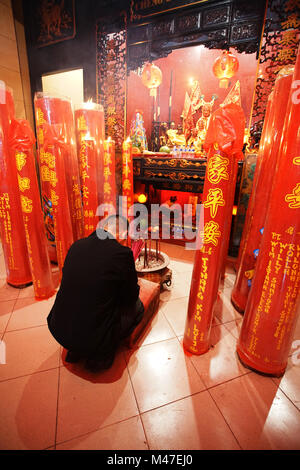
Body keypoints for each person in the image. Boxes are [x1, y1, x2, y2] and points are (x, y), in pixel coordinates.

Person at [47, 215, 144, 372]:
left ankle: (76, 350)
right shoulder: (122, 254)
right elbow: (130, 297)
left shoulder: (77, 245)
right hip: (94, 338)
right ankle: (100, 356)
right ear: (122, 234)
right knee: (138, 307)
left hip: (59, 329)